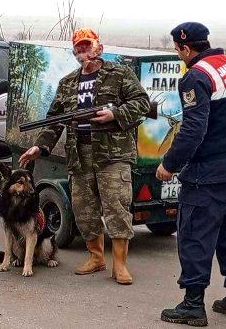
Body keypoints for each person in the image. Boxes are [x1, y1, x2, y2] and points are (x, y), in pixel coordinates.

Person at [18, 28, 151, 285]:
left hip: (112, 155)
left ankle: (120, 265)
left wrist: (116, 115)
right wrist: (39, 147)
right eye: (78, 49)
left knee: (117, 208)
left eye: (87, 46)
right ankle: (96, 257)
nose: (84, 52)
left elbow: (142, 103)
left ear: (98, 47)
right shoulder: (68, 83)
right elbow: (54, 122)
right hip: (79, 155)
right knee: (84, 210)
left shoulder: (120, 74)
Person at [157, 22, 226, 326]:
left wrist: (169, 163)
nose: (178, 56)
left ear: (186, 48)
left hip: (208, 173)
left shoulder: (195, 77)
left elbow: (194, 129)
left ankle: (192, 304)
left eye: (177, 51)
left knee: (194, 234)